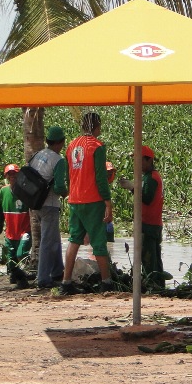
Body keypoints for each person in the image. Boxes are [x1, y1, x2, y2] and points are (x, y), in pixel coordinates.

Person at [61, 112, 114, 294]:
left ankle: (66, 282)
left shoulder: (71, 145)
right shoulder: (97, 146)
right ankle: (106, 282)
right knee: (99, 242)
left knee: (74, 240)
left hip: (75, 200)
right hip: (93, 200)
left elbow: (68, 174)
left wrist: (71, 193)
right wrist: (107, 201)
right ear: (97, 126)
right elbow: (101, 177)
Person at [118, 146, 168, 289]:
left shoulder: (152, 178)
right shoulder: (149, 176)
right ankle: (158, 286)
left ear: (149, 160)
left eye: (138, 160)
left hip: (149, 224)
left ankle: (153, 287)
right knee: (154, 259)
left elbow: (146, 198)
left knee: (148, 259)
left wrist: (132, 187)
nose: (136, 164)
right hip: (152, 223)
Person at [30, 126, 69, 289]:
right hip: (49, 204)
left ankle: (57, 271)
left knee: (54, 238)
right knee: (48, 241)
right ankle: (43, 278)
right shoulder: (58, 160)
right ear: (60, 143)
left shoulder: (38, 155)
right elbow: (59, 187)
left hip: (34, 203)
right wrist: (69, 194)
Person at [0, 164, 31, 289]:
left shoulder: (26, 190)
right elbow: (0, 214)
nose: (12, 176)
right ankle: (18, 277)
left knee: (21, 253)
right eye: (10, 174)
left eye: (15, 174)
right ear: (6, 176)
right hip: (10, 234)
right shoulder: (3, 191)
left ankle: (24, 275)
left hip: (24, 231)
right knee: (10, 260)